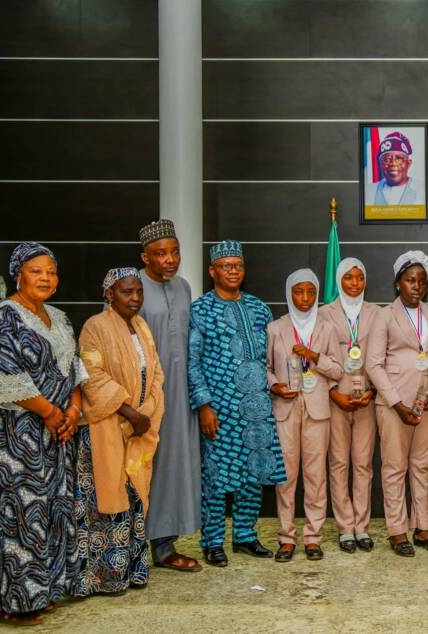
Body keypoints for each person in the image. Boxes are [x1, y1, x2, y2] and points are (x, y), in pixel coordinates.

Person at [0, 242, 85, 626]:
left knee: (50, 509)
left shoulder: (59, 318)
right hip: (9, 435)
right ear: (19, 275)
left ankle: (42, 589)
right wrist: (49, 411)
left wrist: (73, 411)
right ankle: (15, 599)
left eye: (51, 271)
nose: (45, 278)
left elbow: (75, 369)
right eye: (36, 271)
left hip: (55, 432)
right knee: (15, 512)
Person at [188, 240, 285, 567]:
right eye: (226, 266)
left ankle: (245, 535)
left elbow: (269, 356)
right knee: (217, 477)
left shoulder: (259, 308)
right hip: (221, 410)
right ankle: (212, 541)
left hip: (257, 409)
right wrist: (204, 405)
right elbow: (192, 362)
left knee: (254, 474)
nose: (233, 271)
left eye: (238, 265)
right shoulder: (201, 309)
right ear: (212, 271)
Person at [74, 268, 163, 596]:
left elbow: (157, 374)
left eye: (139, 292)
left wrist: (146, 412)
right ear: (110, 294)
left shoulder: (142, 327)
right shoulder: (94, 327)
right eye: (127, 292)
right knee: (103, 504)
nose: (135, 298)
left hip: (138, 429)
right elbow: (91, 376)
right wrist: (130, 412)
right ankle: (102, 578)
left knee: (135, 500)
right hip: (105, 430)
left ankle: (132, 572)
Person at [366, 251, 428, 557]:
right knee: (394, 467)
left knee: (422, 466)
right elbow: (373, 364)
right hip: (395, 406)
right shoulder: (384, 316)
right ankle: (397, 531)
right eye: (410, 280)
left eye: (421, 281)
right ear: (398, 283)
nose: (416, 287)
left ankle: (422, 527)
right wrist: (396, 403)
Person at [137, 219, 202, 573]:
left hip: (180, 395)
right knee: (144, 466)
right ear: (145, 256)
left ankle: (164, 546)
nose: (170, 259)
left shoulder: (184, 287)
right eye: (161, 253)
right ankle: (132, 547)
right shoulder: (132, 287)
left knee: (175, 466)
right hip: (144, 397)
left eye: (175, 252)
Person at [267, 269, 343, 562]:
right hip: (285, 409)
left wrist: (314, 357)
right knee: (286, 477)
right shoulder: (276, 328)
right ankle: (286, 538)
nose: (305, 298)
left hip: (318, 411)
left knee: (316, 476)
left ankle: (313, 538)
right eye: (298, 291)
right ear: (289, 294)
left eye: (311, 292)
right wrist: (275, 385)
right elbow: (266, 367)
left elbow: (338, 370)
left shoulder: (327, 328)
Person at [322, 258, 382, 553]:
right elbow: (317, 356)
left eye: (359, 277)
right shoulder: (324, 313)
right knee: (338, 463)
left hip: (367, 397)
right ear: (338, 280)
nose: (355, 283)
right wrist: (333, 393)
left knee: (363, 464)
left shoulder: (377, 313)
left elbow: (383, 355)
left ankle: (362, 526)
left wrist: (373, 390)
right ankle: (345, 527)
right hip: (336, 397)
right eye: (348, 277)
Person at [372, 132, 421, 206]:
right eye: (387, 159)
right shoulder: (368, 191)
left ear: (408, 163)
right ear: (380, 164)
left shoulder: (423, 189)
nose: (393, 163)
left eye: (399, 159)